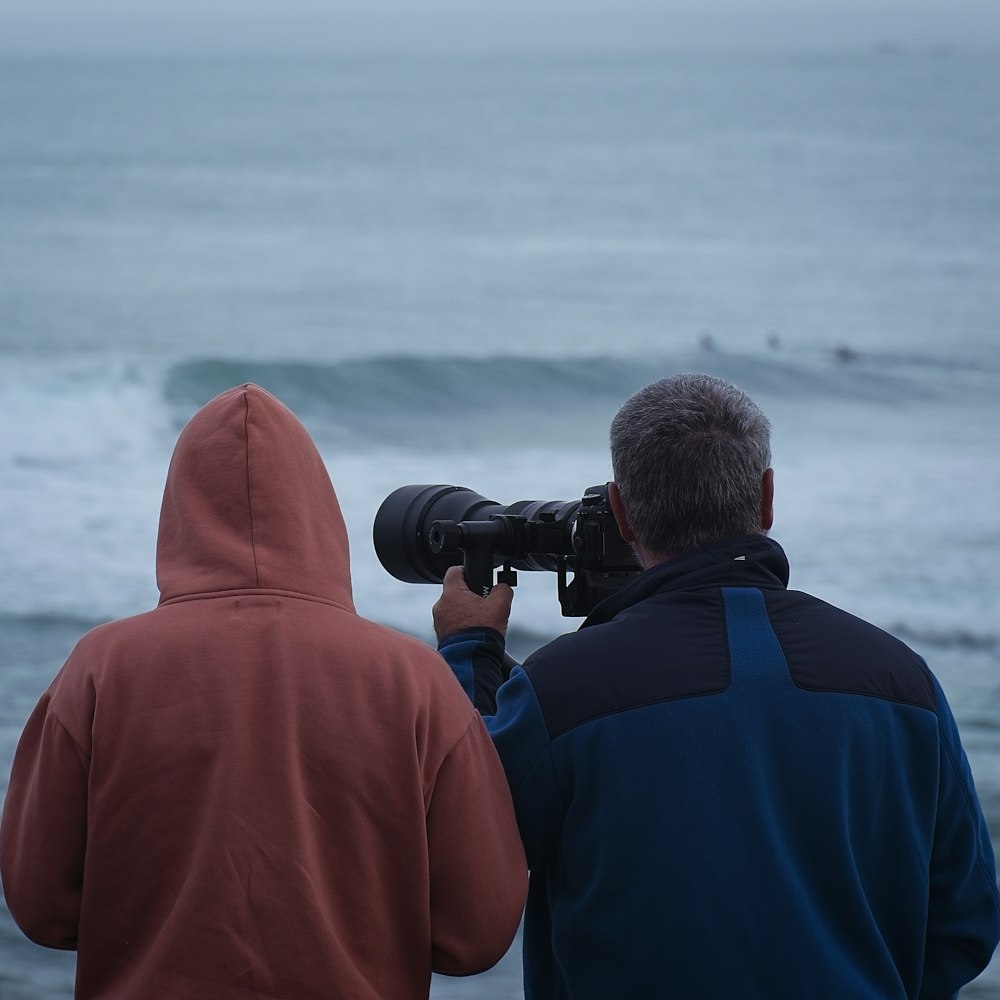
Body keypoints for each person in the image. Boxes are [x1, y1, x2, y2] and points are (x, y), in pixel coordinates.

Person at [432, 373, 1000, 1000]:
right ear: (766, 497)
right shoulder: (901, 680)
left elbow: (456, 849)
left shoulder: (563, 690)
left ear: (621, 510)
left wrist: (469, 650)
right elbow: (966, 920)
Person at [1, 383, 527, 1000]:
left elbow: (41, 906)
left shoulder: (100, 667)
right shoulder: (413, 678)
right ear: (317, 511)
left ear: (179, 508)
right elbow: (476, 931)